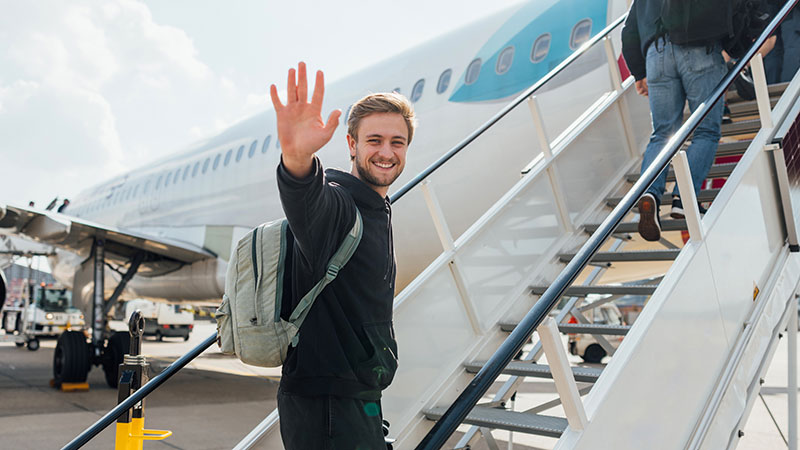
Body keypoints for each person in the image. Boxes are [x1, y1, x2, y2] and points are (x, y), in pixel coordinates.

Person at [269, 62, 415, 449]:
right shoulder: (340, 203)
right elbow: (308, 200)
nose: (386, 152)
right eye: (374, 140)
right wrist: (297, 159)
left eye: (397, 142)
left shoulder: (376, 208)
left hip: (356, 398)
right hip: (326, 405)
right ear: (352, 145)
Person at [622, 0, 729, 241]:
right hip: (699, 46)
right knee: (706, 131)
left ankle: (650, 193)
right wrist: (733, 46)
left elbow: (628, 31)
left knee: (661, 134)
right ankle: (684, 198)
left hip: (656, 56)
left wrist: (639, 73)